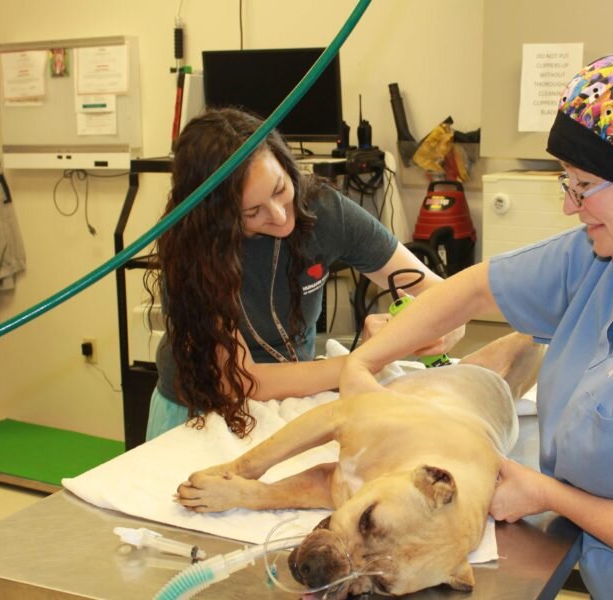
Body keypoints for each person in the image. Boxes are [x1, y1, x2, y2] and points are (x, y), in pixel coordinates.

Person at [340, 54, 613, 598]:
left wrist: (547, 494)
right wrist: (364, 362)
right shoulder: (607, 256)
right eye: (566, 184)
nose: (572, 208)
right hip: (606, 572)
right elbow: (477, 287)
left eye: (585, 185)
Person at [145, 108, 463, 440]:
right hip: (200, 416)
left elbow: (445, 298)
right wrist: (370, 357)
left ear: (285, 163)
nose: (280, 216)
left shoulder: (325, 211)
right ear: (218, 217)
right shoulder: (193, 249)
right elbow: (241, 381)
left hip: (296, 401)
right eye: (253, 212)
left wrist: (432, 327)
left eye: (280, 189)